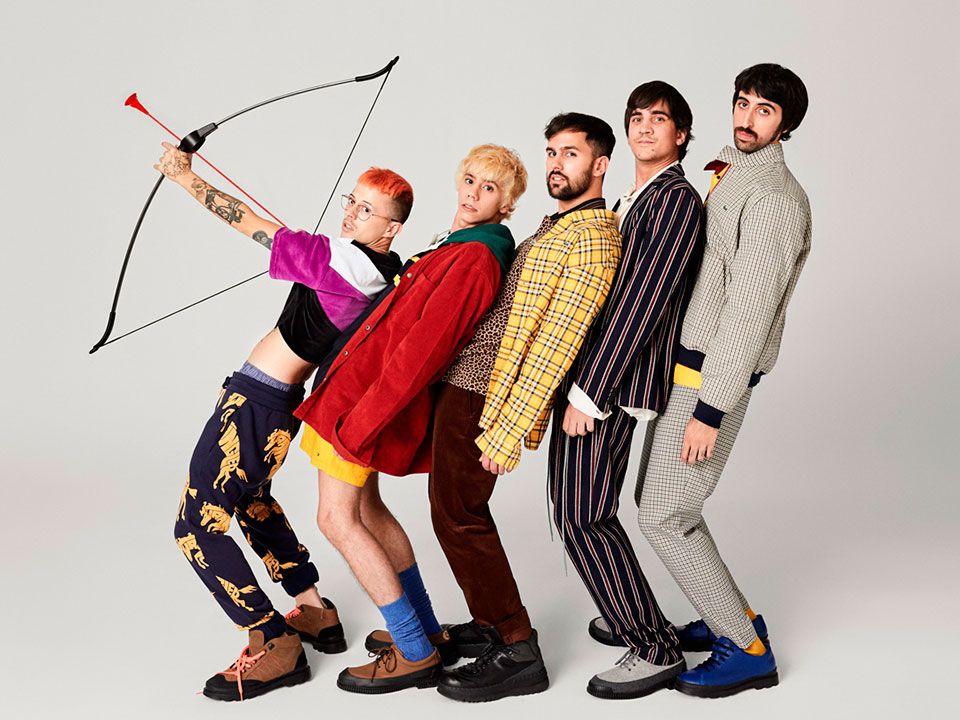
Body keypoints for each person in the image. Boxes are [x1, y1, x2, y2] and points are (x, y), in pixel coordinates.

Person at [156, 142, 409, 701]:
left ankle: (272, 638)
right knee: (251, 501)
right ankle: (314, 610)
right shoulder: (379, 269)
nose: (352, 214)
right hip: (275, 405)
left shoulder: (346, 263)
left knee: (195, 525)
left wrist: (184, 177)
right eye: (352, 201)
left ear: (391, 229)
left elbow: (252, 224)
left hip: (257, 403)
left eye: (367, 210)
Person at [293, 144, 528, 694]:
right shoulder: (458, 246)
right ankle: (424, 630)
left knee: (336, 519)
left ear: (506, 203)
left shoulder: (476, 257)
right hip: (354, 393)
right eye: (470, 180)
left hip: (360, 403)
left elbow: (424, 351)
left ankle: (413, 650)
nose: (473, 194)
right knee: (368, 511)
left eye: (489, 188)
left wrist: (362, 420)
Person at [427, 113, 622, 702]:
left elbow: (557, 341)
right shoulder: (559, 224)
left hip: (486, 390)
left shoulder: (592, 237)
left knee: (459, 514)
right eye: (552, 152)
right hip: (470, 381)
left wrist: (507, 429)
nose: (557, 164)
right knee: (453, 510)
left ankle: (516, 648)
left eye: (571, 153)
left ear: (600, 165)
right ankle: (491, 623)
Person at [634, 63, 811, 698]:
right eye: (742, 103)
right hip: (686, 370)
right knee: (670, 504)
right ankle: (731, 616)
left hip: (711, 380)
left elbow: (749, 310)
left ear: (785, 125)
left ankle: (747, 650)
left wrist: (711, 409)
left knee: (663, 513)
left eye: (764, 110)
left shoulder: (774, 199)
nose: (747, 118)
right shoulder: (732, 171)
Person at [548, 82, 706, 699]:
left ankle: (654, 647)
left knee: (584, 516)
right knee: (579, 510)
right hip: (593, 377)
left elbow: (641, 304)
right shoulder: (634, 198)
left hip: (610, 385)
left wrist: (590, 393)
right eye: (636, 117)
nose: (644, 127)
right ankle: (631, 615)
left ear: (680, 134)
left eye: (658, 119)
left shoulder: (674, 201)